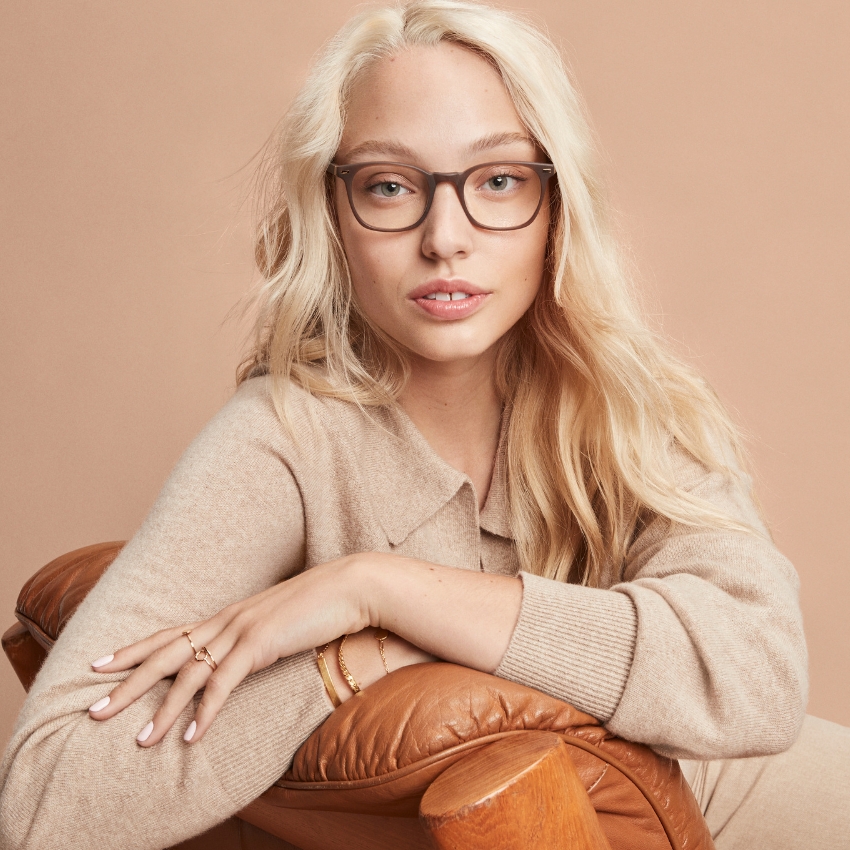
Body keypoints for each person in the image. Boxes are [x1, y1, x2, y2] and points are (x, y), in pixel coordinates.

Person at [1, 1, 847, 848]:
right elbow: (43, 801)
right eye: (391, 187)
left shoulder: (623, 402)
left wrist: (382, 589)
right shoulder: (286, 440)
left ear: (557, 206)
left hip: (739, 789)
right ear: (333, 216)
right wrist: (345, 663)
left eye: (499, 182)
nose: (446, 238)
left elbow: (761, 674)